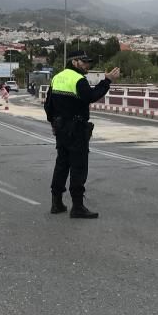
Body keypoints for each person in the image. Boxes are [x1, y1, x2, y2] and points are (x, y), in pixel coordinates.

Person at [44, 51, 121, 219]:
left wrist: (53, 124)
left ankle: (56, 203)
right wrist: (107, 81)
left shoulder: (57, 77)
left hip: (61, 128)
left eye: (88, 62)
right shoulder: (78, 79)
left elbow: (48, 104)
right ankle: (77, 207)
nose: (87, 65)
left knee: (62, 165)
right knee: (78, 166)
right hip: (76, 129)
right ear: (74, 62)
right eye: (84, 62)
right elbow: (91, 96)